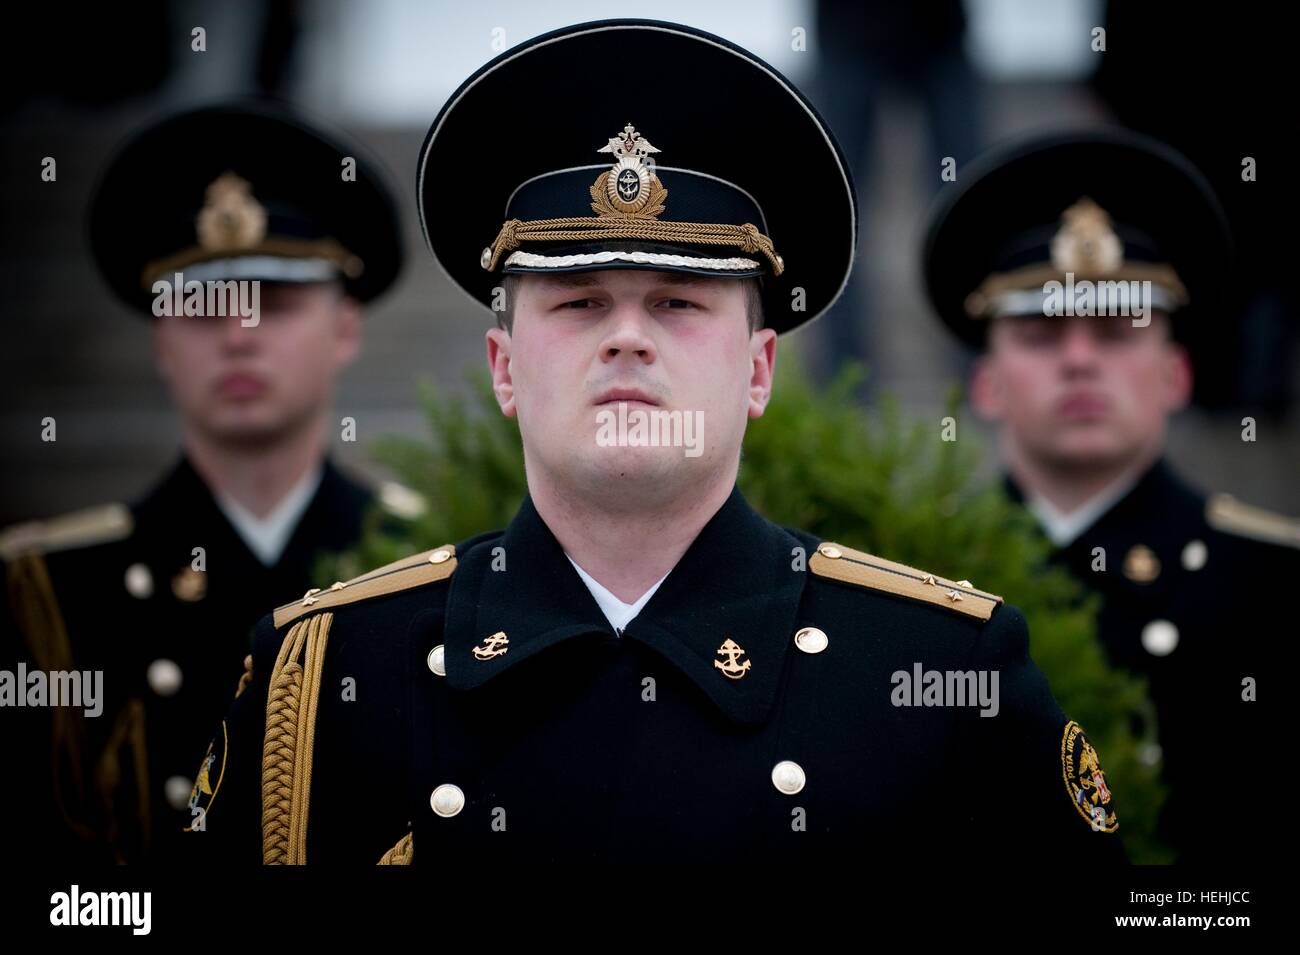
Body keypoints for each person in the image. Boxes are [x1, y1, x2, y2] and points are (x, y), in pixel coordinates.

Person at [186, 20, 1123, 865]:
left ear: (759, 371)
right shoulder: (322, 681)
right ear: (503, 367)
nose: (626, 335)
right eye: (580, 302)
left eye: (678, 302)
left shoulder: (948, 674)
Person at [0, 101, 408, 863]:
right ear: (161, 337)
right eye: (201, 304)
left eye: (276, 303)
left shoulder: (430, 559)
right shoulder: (45, 593)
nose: (236, 333)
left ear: (345, 328)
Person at [922, 128, 1294, 864]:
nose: (1081, 358)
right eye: (1041, 331)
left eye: (1119, 330)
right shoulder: (912, 572)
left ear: (1177, 375)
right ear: (986, 384)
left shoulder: (1274, 585)